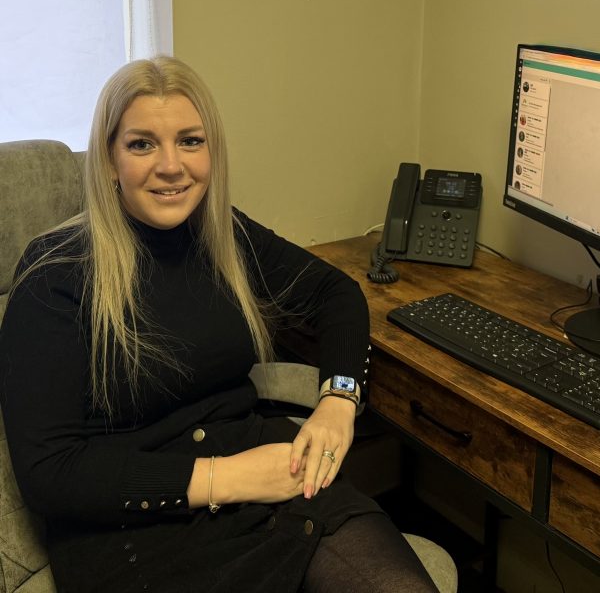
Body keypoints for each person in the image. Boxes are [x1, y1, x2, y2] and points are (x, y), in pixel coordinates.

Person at [0, 56, 438, 592]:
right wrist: (229, 477)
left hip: (266, 474)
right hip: (132, 521)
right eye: (142, 144)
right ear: (110, 160)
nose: (171, 166)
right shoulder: (55, 274)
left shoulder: (223, 235)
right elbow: (51, 473)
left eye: (190, 141)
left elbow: (336, 293)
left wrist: (338, 401)